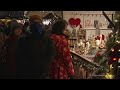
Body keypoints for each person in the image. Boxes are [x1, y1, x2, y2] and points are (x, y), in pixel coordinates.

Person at [16, 14, 55, 79]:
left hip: (42, 73)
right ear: (30, 24)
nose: (36, 25)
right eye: (34, 22)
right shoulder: (23, 39)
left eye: (38, 23)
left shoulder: (48, 40)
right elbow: (20, 56)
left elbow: (50, 55)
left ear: (41, 24)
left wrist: (44, 67)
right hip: (27, 72)